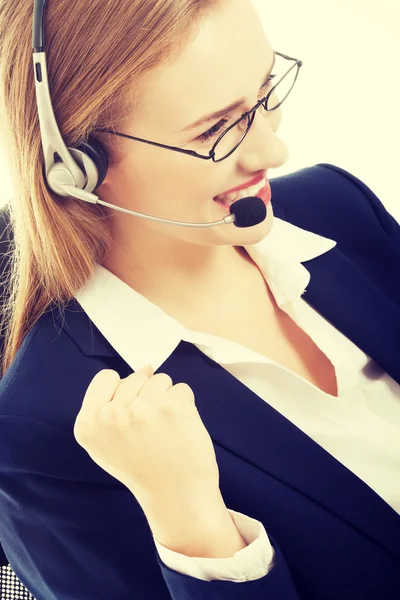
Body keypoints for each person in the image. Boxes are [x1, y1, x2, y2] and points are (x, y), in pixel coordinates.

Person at [0, 0, 399, 598]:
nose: (271, 153)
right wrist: (194, 530)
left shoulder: (337, 205)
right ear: (75, 163)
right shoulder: (39, 432)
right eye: (217, 129)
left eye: (265, 93)